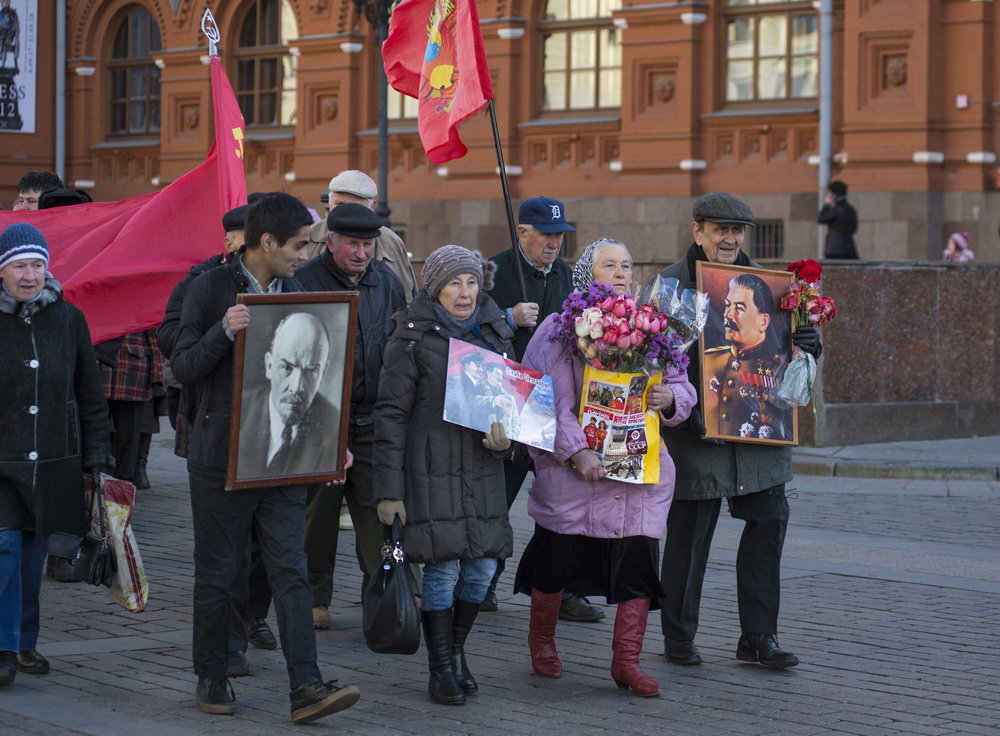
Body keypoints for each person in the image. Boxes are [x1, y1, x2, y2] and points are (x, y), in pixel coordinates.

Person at [170, 192, 360, 721]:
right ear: (268, 242)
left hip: (284, 460)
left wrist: (330, 441)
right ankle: (212, 674)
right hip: (220, 455)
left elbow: (322, 376)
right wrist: (223, 331)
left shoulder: (296, 289)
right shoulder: (208, 288)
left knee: (291, 570)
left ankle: (308, 686)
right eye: (299, 245)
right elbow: (182, 366)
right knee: (219, 570)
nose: (305, 255)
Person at [513, 237, 695, 698]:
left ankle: (626, 663)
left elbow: (681, 384)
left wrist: (671, 398)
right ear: (587, 275)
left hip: (636, 473)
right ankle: (543, 644)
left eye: (627, 265)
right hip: (575, 474)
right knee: (553, 566)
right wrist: (575, 451)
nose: (620, 272)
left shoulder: (654, 326)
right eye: (609, 264)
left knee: (636, 569)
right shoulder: (559, 328)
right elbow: (543, 399)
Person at [648, 191, 823, 670]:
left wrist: (808, 344)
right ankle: (679, 637)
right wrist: (678, 400)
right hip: (695, 436)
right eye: (719, 229)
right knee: (688, 540)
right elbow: (648, 361)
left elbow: (798, 369)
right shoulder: (670, 284)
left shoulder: (774, 287)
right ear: (697, 231)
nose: (729, 238)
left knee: (768, 529)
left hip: (760, 438)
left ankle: (759, 638)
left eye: (736, 231)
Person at [374, 245, 514, 706]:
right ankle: (440, 669)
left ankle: (456, 652)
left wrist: (508, 439)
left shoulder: (495, 334)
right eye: (454, 282)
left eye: (472, 282)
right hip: (429, 467)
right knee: (442, 568)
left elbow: (511, 406)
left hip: (481, 468)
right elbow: (390, 415)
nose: (465, 292)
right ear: (435, 287)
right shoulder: (410, 338)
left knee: (481, 569)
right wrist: (389, 491)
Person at [159, 202, 277, 666]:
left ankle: (253, 615)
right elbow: (173, 340)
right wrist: (221, 330)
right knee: (223, 549)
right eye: (236, 237)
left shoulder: (286, 282)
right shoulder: (200, 283)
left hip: (271, 432)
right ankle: (226, 641)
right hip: (214, 422)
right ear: (231, 240)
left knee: (266, 545)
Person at [0, 223, 114, 686]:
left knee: (32, 554)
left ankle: (25, 641)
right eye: (19, 266)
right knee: (5, 548)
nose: (29, 276)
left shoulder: (69, 319)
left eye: (37, 265)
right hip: (3, 461)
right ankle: (5, 645)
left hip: (52, 458)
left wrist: (98, 457)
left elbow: (89, 393)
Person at [485, 196, 602, 622]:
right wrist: (507, 316)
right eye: (546, 235)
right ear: (522, 233)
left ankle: (562, 588)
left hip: (557, 406)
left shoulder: (566, 276)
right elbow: (464, 325)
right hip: (509, 399)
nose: (554, 243)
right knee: (497, 497)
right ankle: (483, 581)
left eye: (559, 236)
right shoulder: (493, 269)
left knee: (563, 502)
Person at [296, 201, 407, 629]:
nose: (361, 253)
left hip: (374, 419)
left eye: (367, 245)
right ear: (332, 241)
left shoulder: (388, 282)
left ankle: (383, 596)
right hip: (321, 421)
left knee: (379, 518)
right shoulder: (303, 282)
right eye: (353, 245)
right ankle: (312, 597)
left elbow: (400, 346)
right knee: (316, 521)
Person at [235, 312, 340, 479]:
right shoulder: (238, 410)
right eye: (287, 368)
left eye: (311, 371)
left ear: (323, 373)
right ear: (269, 366)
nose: (297, 387)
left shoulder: (334, 430)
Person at [702, 273, 791, 441]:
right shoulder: (707, 359)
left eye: (739, 308)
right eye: (728, 305)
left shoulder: (778, 369)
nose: (727, 314)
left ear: (763, 322)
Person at [307, 169, 416, 302]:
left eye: (355, 206)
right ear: (329, 204)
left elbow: (405, 297)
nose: (345, 212)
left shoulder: (390, 241)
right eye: (339, 205)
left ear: (372, 207)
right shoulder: (308, 236)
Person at [818, 180, 859, 259]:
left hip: (833, 248)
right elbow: (854, 228)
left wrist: (826, 205)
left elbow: (821, 219)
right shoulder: (850, 209)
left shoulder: (835, 210)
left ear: (833, 195)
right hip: (849, 248)